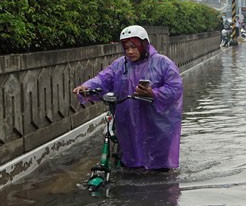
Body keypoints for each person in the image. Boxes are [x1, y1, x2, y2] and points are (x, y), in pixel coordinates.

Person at [73, 25, 183, 171]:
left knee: (158, 168)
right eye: (126, 47)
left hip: (156, 124)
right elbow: (103, 78)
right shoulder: (120, 65)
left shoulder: (163, 63)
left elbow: (175, 88)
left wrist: (153, 93)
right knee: (130, 163)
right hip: (128, 122)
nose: (130, 51)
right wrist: (87, 87)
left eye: (134, 46)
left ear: (143, 45)